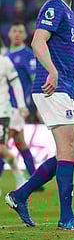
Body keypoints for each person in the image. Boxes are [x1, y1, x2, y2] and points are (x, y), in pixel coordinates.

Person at [5, 0, 74, 230]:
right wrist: (52, 72)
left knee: (68, 152)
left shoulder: (68, 12)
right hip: (51, 87)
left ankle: (20, 195)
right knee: (68, 149)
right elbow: (37, 41)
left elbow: (62, 54)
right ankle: (66, 218)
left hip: (64, 85)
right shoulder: (54, 7)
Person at [5, 22, 38, 179]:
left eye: (20, 31)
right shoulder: (5, 56)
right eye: (14, 31)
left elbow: (34, 80)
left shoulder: (28, 55)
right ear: (9, 34)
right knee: (20, 143)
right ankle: (35, 178)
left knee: (2, 144)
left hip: (17, 107)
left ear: (24, 35)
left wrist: (36, 105)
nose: (17, 34)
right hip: (4, 105)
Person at [0, 55, 28, 191]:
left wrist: (22, 105)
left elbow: (16, 83)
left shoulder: (4, 61)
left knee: (0, 148)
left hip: (2, 111)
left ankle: (18, 173)